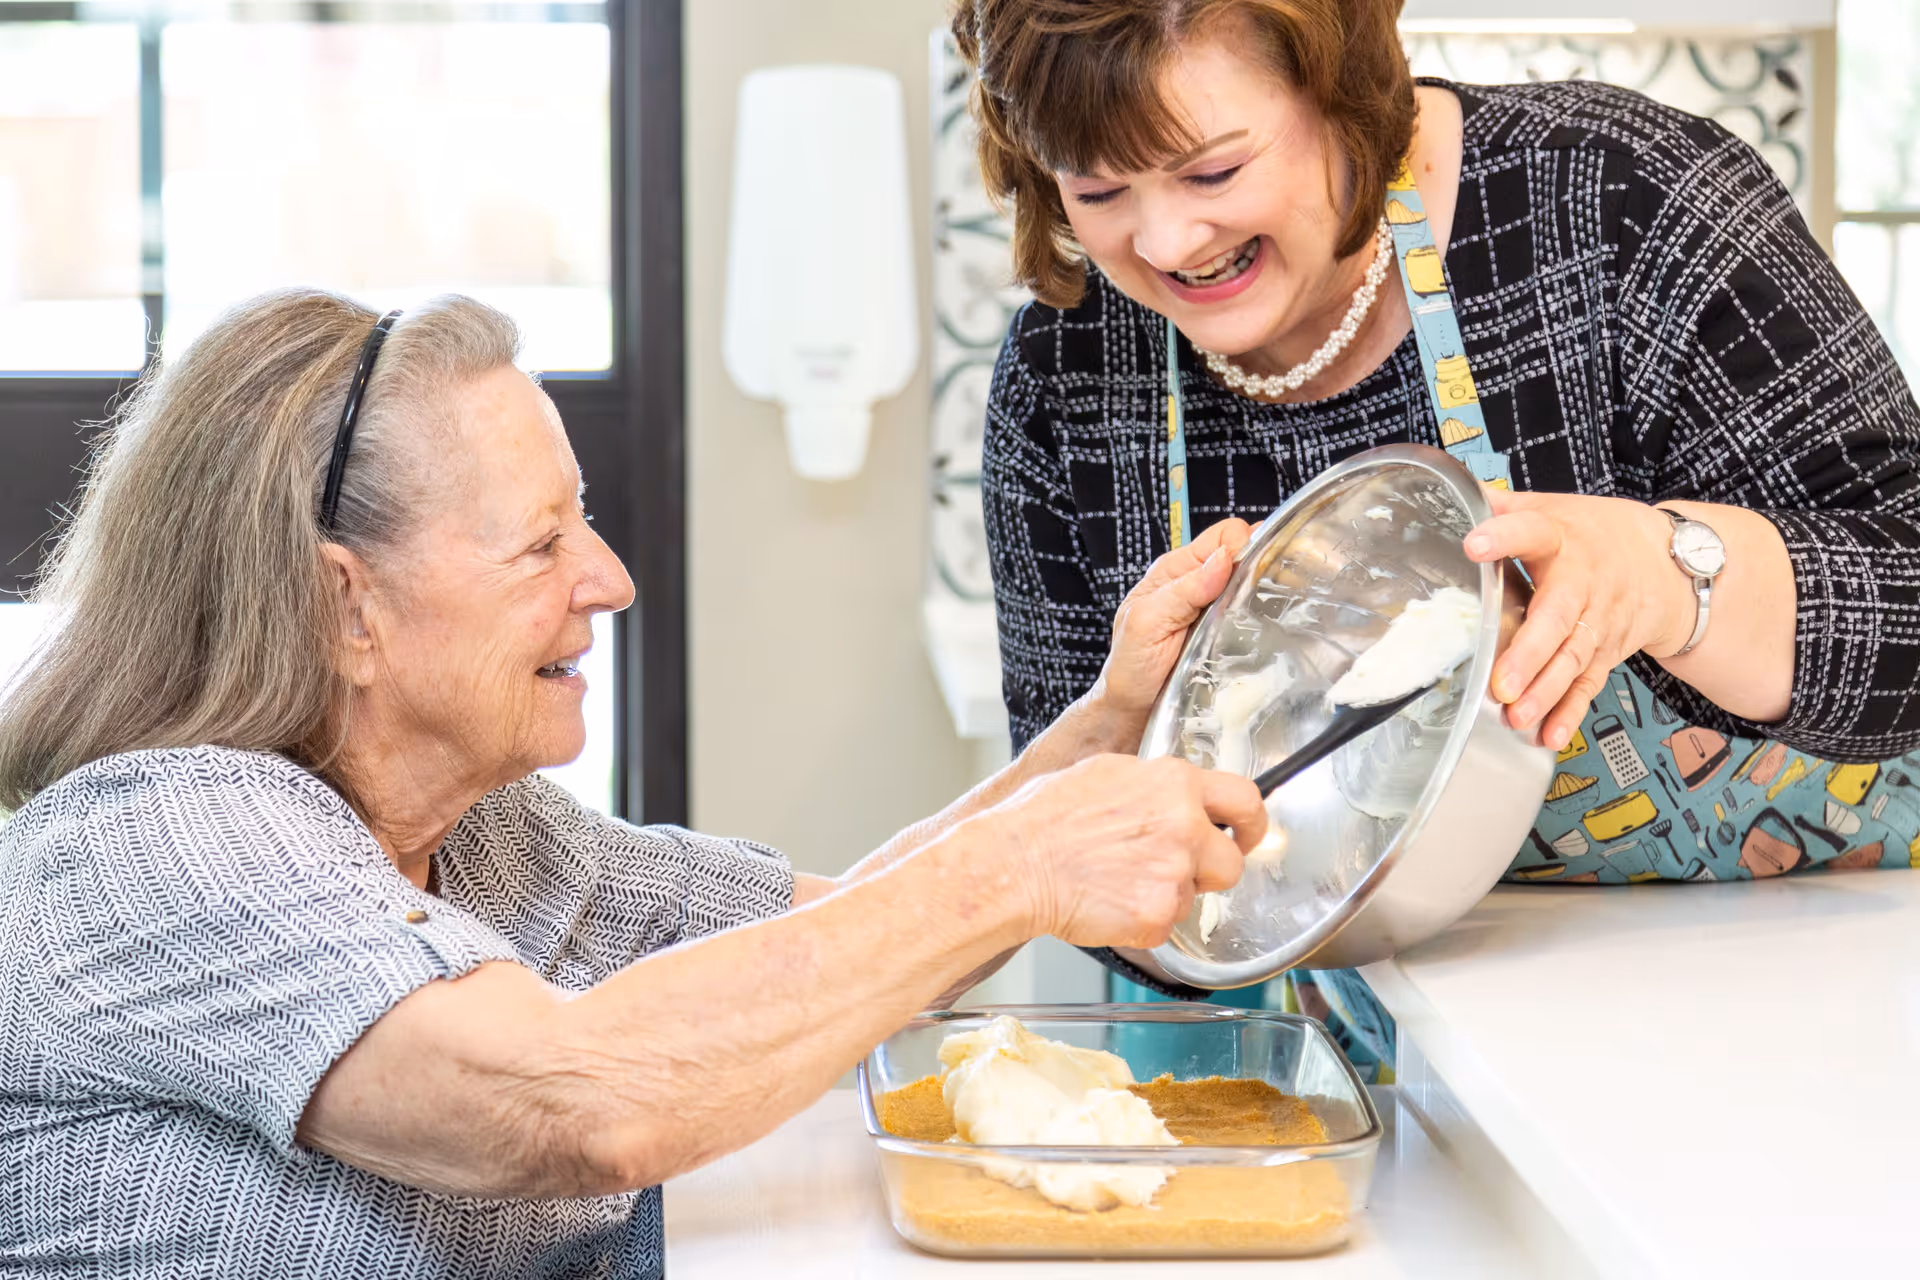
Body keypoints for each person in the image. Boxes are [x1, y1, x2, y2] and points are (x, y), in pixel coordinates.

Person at [0, 289, 1271, 1279]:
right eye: (541, 542)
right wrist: (1022, 863)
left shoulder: (484, 831)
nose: (607, 577)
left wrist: (1109, 721)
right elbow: (576, 1098)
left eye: (586, 517)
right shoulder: (149, 842)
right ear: (349, 609)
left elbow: (835, 943)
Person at [956, 0, 1920, 1076]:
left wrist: (1664, 572)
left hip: (1826, 1006)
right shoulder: (1068, 373)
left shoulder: (1619, 199)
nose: (1168, 241)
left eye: (1214, 172)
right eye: (1097, 190)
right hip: (1403, 1059)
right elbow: (1079, 868)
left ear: (1340, 85)